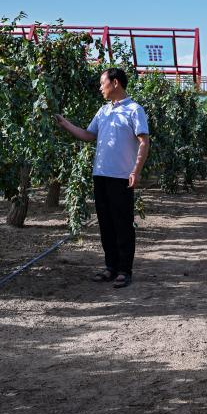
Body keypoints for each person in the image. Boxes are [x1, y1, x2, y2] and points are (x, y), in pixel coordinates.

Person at [55, 68, 149, 288]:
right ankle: (111, 267)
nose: (100, 87)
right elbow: (89, 135)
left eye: (102, 83)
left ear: (115, 83)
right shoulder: (103, 111)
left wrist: (136, 170)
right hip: (101, 174)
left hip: (121, 176)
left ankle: (125, 270)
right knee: (105, 223)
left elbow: (144, 142)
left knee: (123, 223)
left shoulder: (135, 110)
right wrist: (66, 124)